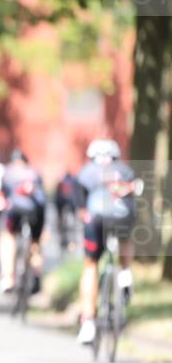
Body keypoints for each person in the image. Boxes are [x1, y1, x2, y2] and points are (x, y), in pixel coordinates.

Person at [75, 139, 137, 345]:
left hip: (96, 220)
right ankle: (126, 272)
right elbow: (134, 202)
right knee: (126, 234)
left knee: (90, 264)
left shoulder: (85, 172)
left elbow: (80, 209)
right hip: (122, 217)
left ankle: (89, 322)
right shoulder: (125, 170)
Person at [0, 150, 47, 295]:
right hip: (36, 211)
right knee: (35, 242)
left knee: (7, 236)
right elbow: (42, 199)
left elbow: (2, 197)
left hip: (15, 210)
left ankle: (8, 277)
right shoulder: (34, 173)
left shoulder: (8, 173)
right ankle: (36, 274)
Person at [54, 171, 79, 251]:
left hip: (62, 203)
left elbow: (57, 196)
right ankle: (71, 242)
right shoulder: (73, 181)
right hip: (70, 204)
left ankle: (63, 241)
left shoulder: (61, 181)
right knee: (72, 224)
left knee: (62, 223)